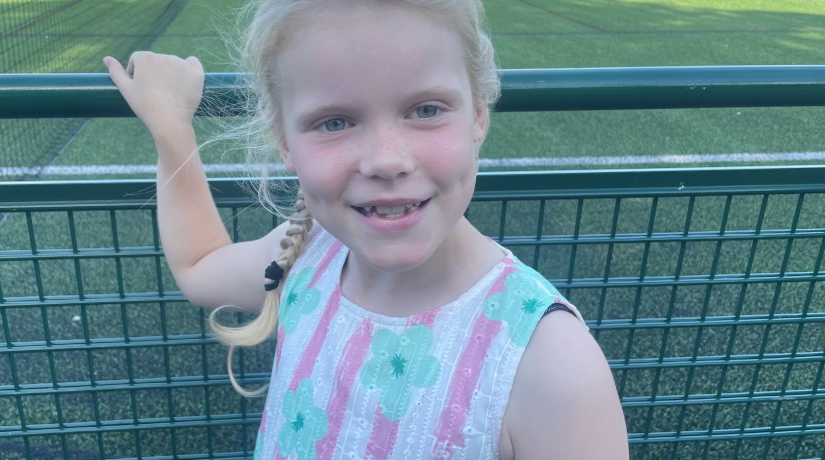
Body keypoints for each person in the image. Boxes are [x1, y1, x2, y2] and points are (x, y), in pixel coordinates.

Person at [103, 0, 628, 457]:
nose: (386, 160)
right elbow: (199, 267)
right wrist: (171, 125)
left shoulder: (553, 369)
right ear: (284, 142)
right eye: (334, 122)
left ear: (479, 115)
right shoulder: (308, 252)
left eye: (426, 110)